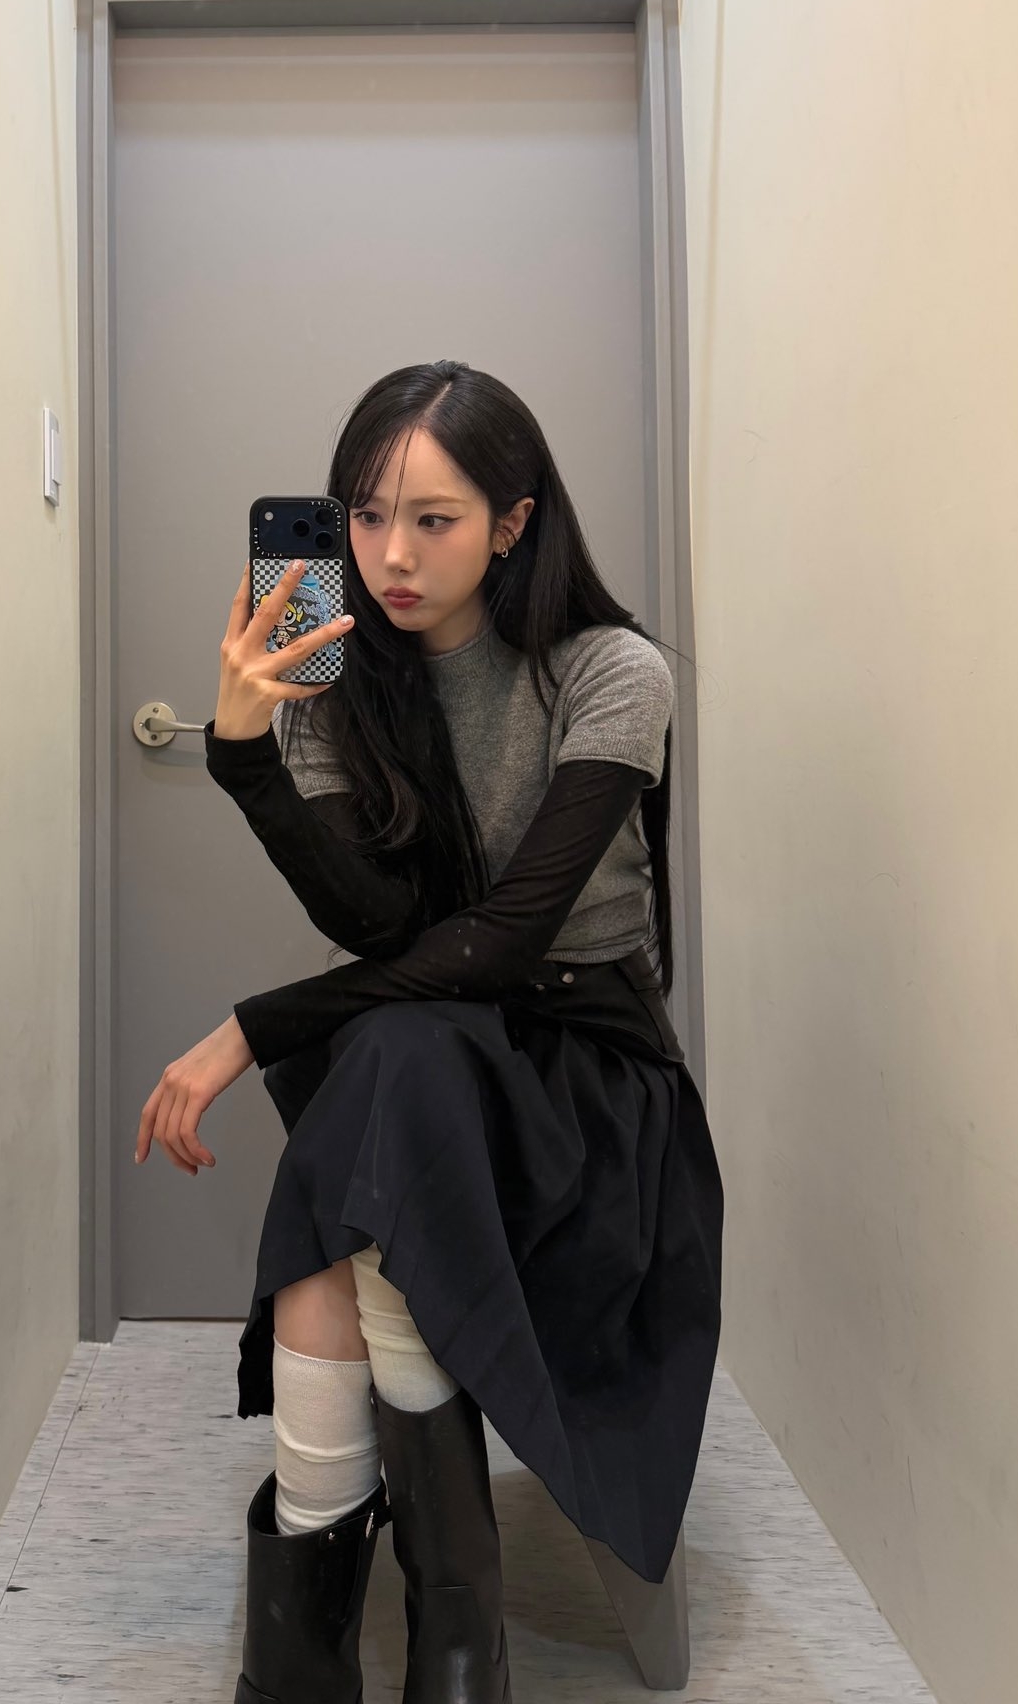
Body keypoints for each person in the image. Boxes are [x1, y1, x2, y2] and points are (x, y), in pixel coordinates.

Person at [135, 360, 725, 1704]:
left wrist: (248, 1031)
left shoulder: (611, 674)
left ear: (512, 525)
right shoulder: (338, 684)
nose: (391, 556)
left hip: (591, 1085)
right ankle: (450, 1634)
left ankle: (352, 1644)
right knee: (396, 1071)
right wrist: (247, 755)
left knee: (377, 1098)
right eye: (365, 516)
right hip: (436, 1058)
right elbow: (383, 923)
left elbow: (504, 944)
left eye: (435, 520)